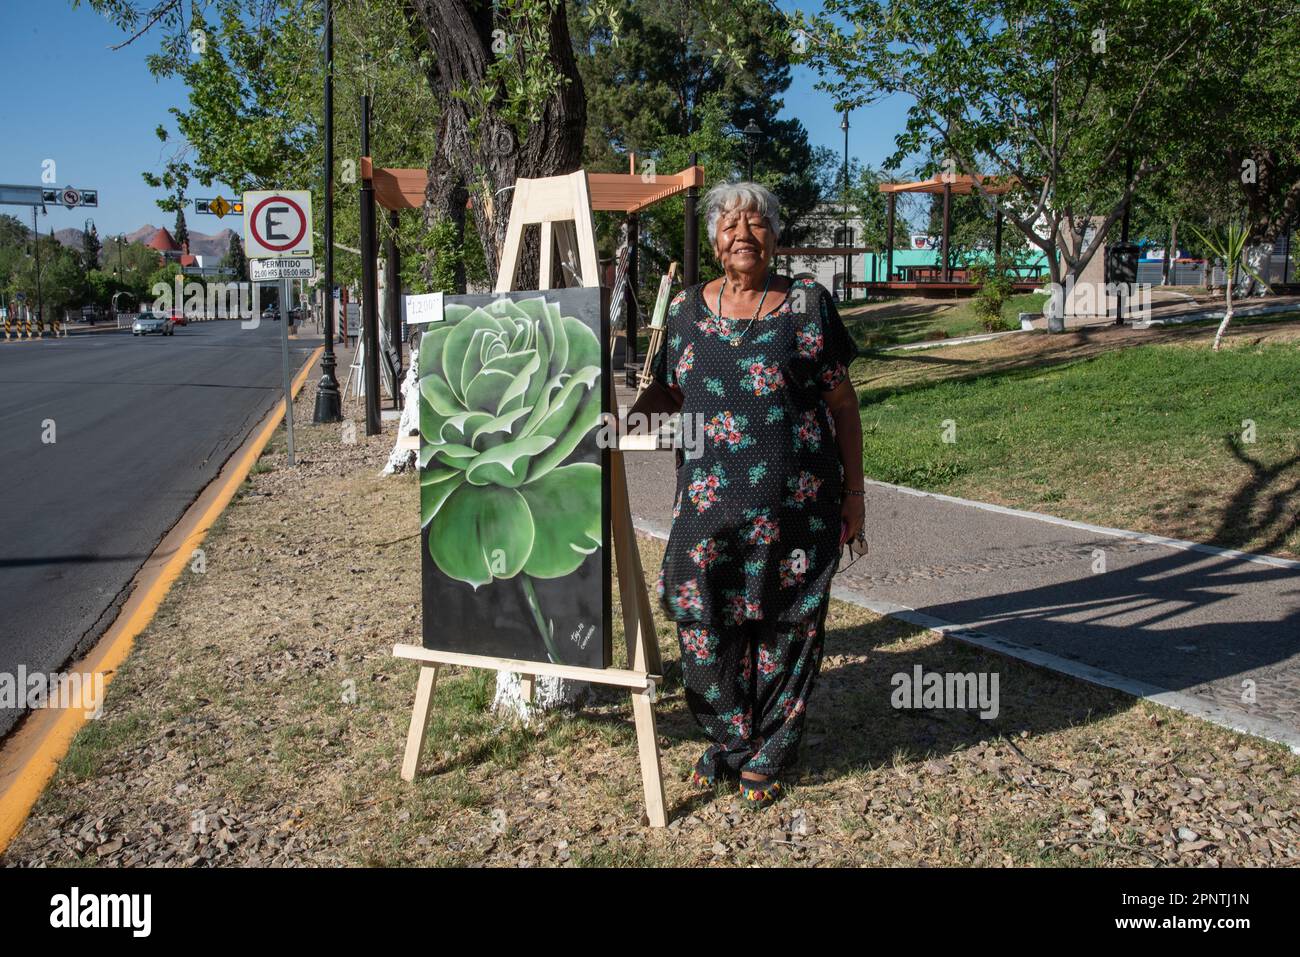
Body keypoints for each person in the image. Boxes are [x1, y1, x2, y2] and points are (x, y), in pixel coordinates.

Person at [628, 181, 865, 807]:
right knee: (702, 616)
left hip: (800, 502)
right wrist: (608, 414)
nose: (744, 235)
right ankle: (727, 736)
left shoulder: (807, 304)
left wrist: (856, 495)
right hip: (706, 504)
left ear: (776, 236)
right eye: (731, 224)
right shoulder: (683, 310)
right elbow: (668, 399)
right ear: (714, 240)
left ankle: (770, 747)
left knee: (789, 625)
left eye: (757, 224)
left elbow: (842, 404)